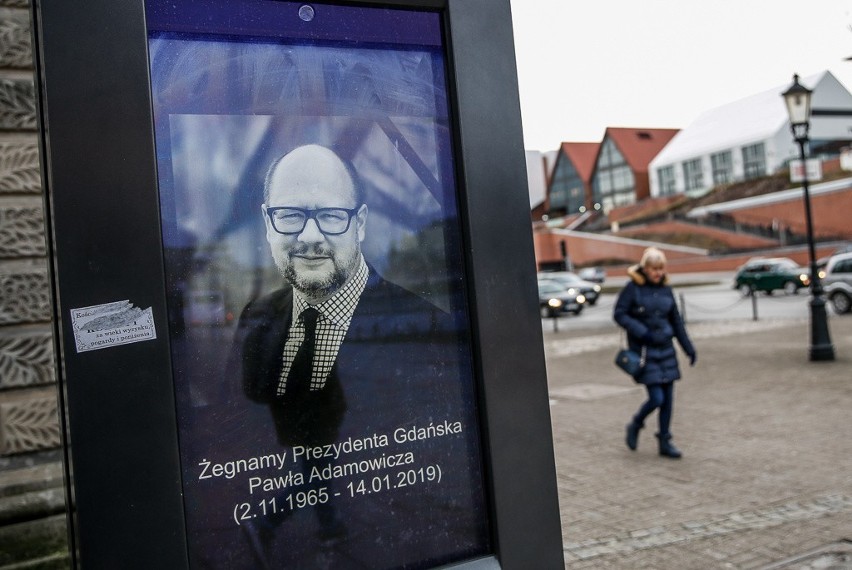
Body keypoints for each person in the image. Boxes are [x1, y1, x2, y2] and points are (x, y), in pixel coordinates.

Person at [222, 144, 488, 568]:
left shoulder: (425, 325)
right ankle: (325, 534)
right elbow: (246, 401)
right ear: (268, 223)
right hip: (298, 443)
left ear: (360, 223)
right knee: (316, 479)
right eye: (290, 215)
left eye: (330, 215)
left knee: (314, 479)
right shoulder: (259, 315)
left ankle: (296, 529)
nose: (310, 236)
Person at [613, 247, 696, 459]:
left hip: (666, 350)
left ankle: (665, 441)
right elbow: (619, 314)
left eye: (661, 269)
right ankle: (636, 424)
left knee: (668, 401)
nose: (658, 273)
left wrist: (688, 348)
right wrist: (642, 332)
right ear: (645, 268)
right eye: (654, 269)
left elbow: (676, 322)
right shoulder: (633, 289)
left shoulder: (666, 290)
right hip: (645, 352)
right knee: (656, 398)